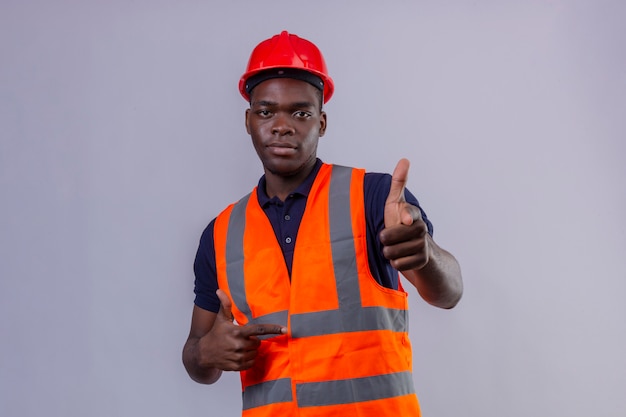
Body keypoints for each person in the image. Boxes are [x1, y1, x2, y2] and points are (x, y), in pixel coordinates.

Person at [182, 30, 463, 416]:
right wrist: (206, 352)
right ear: (248, 121)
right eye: (266, 111)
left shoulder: (374, 198)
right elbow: (199, 359)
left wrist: (424, 253)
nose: (282, 125)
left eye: (300, 112)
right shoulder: (220, 233)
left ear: (322, 122)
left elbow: (448, 294)